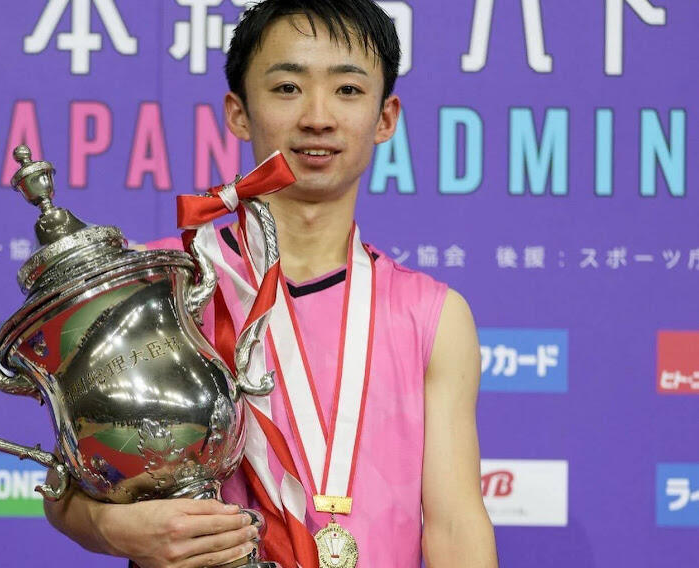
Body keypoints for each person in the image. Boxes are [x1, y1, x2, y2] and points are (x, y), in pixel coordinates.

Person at [43, 1, 498, 567]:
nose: (318, 117)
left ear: (386, 118)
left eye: (348, 90)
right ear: (238, 112)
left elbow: (455, 526)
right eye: (287, 88)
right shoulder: (158, 284)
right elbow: (72, 484)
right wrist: (113, 528)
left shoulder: (431, 314)